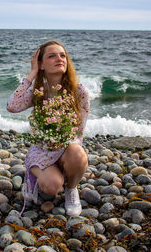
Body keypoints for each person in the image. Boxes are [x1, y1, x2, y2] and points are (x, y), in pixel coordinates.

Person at [7, 40, 90, 216]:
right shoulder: (38, 91)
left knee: (78, 153)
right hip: (42, 149)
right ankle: (32, 176)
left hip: (66, 148)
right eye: (51, 56)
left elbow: (79, 132)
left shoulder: (79, 92)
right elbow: (12, 106)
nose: (59, 59)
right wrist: (32, 74)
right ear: (42, 64)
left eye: (62, 55)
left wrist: (62, 143)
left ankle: (71, 189)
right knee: (52, 187)